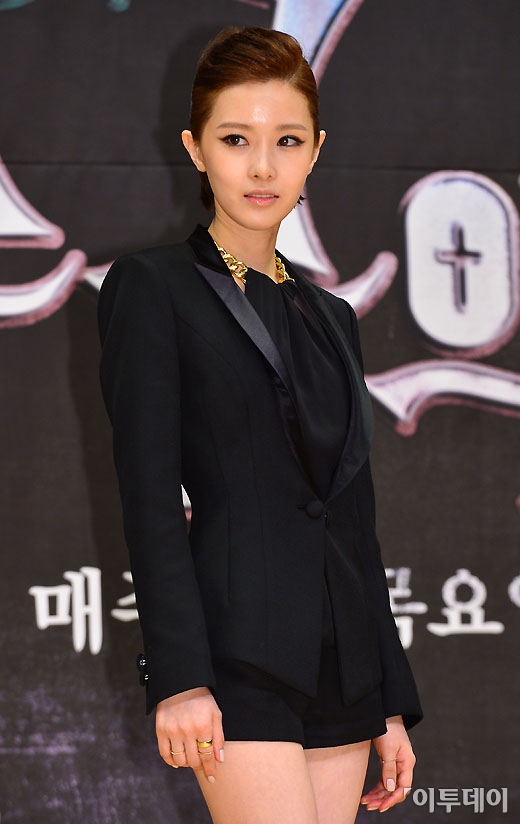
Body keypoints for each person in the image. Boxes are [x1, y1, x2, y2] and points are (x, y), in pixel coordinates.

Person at [98, 26, 422, 824]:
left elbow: (352, 515)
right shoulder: (154, 288)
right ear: (195, 149)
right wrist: (179, 676)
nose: (263, 167)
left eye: (288, 141)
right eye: (236, 139)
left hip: (343, 664)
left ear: (316, 151)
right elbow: (148, 499)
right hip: (233, 653)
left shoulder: (332, 314)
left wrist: (387, 693)